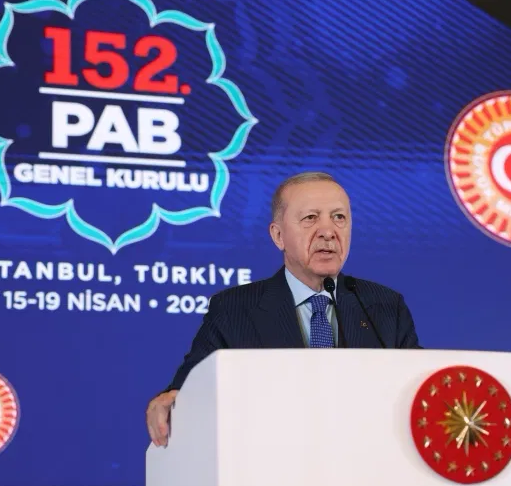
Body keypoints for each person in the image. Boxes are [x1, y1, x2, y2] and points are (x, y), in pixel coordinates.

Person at [146, 171, 421, 446]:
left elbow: (418, 391)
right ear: (278, 236)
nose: (328, 232)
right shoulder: (234, 309)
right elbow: (189, 387)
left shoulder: (385, 306)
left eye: (339, 217)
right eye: (311, 218)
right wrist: (171, 399)